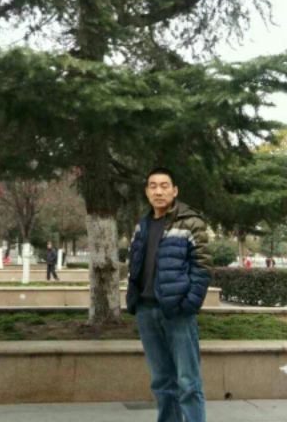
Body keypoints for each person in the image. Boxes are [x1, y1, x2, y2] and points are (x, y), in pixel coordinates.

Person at [126, 167, 211, 422]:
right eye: (153, 186)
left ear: (175, 191)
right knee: (162, 381)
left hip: (177, 313)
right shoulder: (142, 225)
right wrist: (134, 300)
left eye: (164, 186)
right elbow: (135, 264)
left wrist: (189, 305)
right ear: (147, 192)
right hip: (146, 310)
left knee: (188, 382)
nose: (158, 191)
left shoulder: (190, 223)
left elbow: (203, 268)